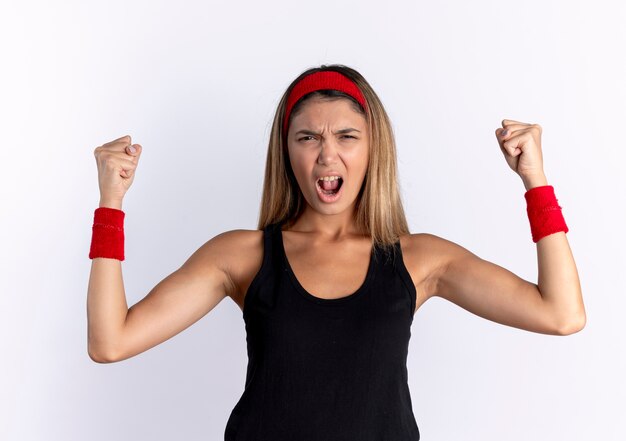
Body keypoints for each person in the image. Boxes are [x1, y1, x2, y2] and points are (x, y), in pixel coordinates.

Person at [87, 64, 586, 440]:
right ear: (287, 151)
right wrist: (111, 202)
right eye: (308, 137)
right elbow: (111, 342)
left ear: (373, 148)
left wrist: (535, 181)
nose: (328, 154)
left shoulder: (419, 260)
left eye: (347, 136)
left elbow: (561, 313)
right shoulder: (241, 256)